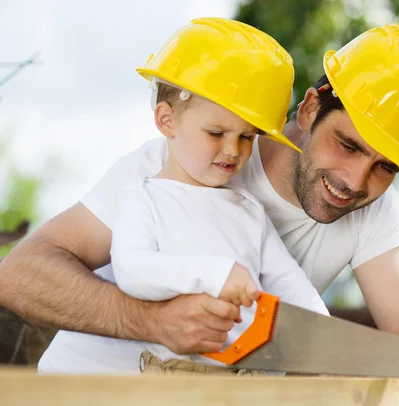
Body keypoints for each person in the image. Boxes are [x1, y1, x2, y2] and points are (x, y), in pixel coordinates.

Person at [0, 23, 399, 404]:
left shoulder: (370, 210)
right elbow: (20, 274)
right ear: (311, 108)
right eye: (348, 145)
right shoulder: (170, 168)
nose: (355, 181)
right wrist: (152, 321)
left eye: (386, 167)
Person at [35, 17, 328, 374]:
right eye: (216, 132)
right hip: (81, 388)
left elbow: (294, 289)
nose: (232, 150)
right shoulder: (142, 196)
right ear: (167, 121)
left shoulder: (250, 214)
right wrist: (216, 274)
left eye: (247, 137)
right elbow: (133, 270)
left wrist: (327, 334)